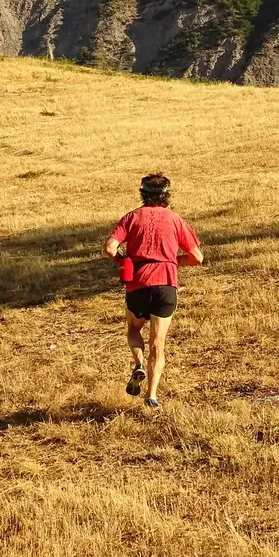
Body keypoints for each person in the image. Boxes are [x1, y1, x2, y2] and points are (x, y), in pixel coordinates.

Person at [104, 173, 203, 409]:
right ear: (167, 196)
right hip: (166, 284)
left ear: (143, 194)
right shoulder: (175, 220)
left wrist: (122, 261)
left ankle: (138, 364)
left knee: (133, 330)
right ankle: (152, 396)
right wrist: (172, 261)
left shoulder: (131, 217)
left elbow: (109, 248)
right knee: (158, 342)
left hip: (138, 283)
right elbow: (197, 258)